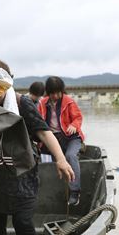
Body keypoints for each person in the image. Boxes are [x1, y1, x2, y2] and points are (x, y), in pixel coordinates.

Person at [0, 60, 75, 235]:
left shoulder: (20, 103)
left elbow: (44, 133)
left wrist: (61, 159)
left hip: (21, 172)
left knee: (23, 221)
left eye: (0, 86)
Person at [38, 76, 85, 206]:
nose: (56, 95)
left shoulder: (69, 102)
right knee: (48, 161)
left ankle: (75, 191)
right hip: (53, 139)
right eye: (53, 93)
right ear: (48, 92)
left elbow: (78, 117)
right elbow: (38, 121)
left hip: (71, 137)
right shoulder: (42, 103)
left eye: (59, 92)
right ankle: (53, 193)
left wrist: (74, 126)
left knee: (70, 156)